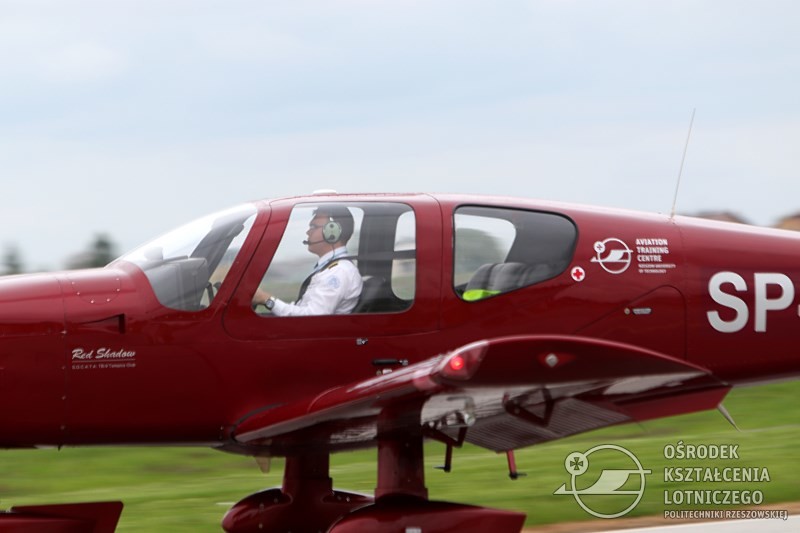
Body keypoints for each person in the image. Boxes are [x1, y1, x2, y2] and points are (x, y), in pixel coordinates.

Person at [252, 205, 363, 316]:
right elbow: (303, 309)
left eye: (313, 227)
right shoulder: (330, 269)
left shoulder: (337, 272)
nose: (308, 232)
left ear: (332, 232)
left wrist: (266, 300)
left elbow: (311, 318)